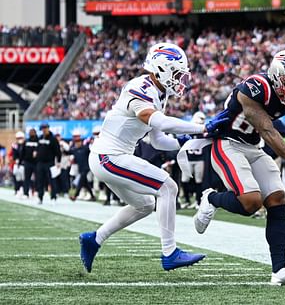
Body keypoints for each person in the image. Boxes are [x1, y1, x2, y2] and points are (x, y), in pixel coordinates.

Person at [78, 42, 228, 273]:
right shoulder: (140, 87)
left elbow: (158, 140)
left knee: (145, 205)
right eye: (177, 74)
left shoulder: (158, 93)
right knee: (168, 187)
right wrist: (201, 128)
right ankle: (170, 253)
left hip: (111, 157)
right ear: (162, 69)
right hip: (109, 157)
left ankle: (94, 239)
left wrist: (189, 140)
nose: (180, 80)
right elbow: (158, 121)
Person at [192, 50, 285, 285]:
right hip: (227, 144)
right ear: (277, 77)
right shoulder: (256, 87)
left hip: (253, 147)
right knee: (251, 203)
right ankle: (212, 199)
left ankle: (280, 269)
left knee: (277, 198)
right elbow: (267, 129)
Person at [36, 123, 61, 204]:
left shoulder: (53, 139)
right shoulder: (39, 138)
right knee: (40, 181)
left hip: (50, 163)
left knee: (51, 180)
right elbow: (37, 148)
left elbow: (58, 151)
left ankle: (53, 197)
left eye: (45, 128)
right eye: (42, 129)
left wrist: (58, 161)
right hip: (40, 163)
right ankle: (40, 197)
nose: (43, 130)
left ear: (48, 128)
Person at [21, 128, 38, 199]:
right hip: (28, 162)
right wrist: (21, 160)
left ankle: (37, 191)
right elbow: (23, 151)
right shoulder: (26, 141)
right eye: (30, 132)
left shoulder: (38, 141)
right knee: (27, 178)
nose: (31, 134)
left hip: (36, 162)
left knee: (38, 178)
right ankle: (26, 193)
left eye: (32, 132)